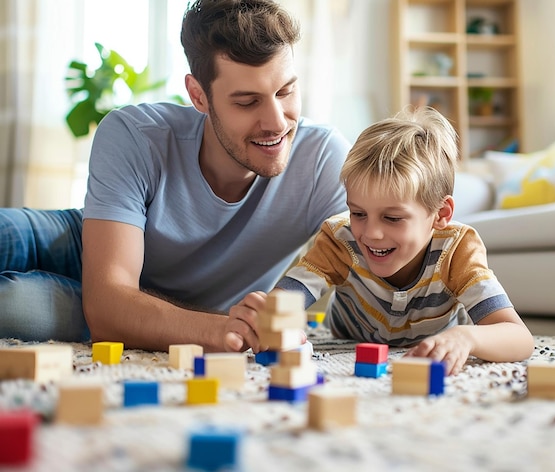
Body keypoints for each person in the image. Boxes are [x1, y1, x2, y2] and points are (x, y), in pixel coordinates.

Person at [0, 0, 350, 353]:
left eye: (285, 91)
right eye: (247, 102)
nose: (276, 122)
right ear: (198, 95)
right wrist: (221, 329)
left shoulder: (322, 159)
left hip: (128, 302)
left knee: (15, 305)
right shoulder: (136, 134)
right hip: (90, 244)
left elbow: (383, 245)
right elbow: (109, 298)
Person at [232, 107, 535, 375]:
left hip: (432, 338)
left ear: (440, 214)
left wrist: (467, 338)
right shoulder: (341, 237)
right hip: (347, 336)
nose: (370, 233)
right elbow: (287, 299)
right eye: (359, 213)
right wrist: (270, 313)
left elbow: (518, 337)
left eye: (392, 218)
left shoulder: (457, 249)